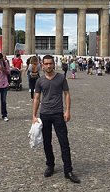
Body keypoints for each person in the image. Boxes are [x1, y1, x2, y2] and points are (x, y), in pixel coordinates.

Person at [32, 55, 80, 184]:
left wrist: (68, 110)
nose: (48, 66)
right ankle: (50, 165)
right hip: (45, 114)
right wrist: (34, 115)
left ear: (54, 64)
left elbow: (67, 94)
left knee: (64, 142)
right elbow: (36, 98)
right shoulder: (40, 81)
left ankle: (68, 170)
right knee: (47, 142)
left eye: (50, 63)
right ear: (43, 65)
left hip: (58, 113)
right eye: (46, 64)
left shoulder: (61, 78)